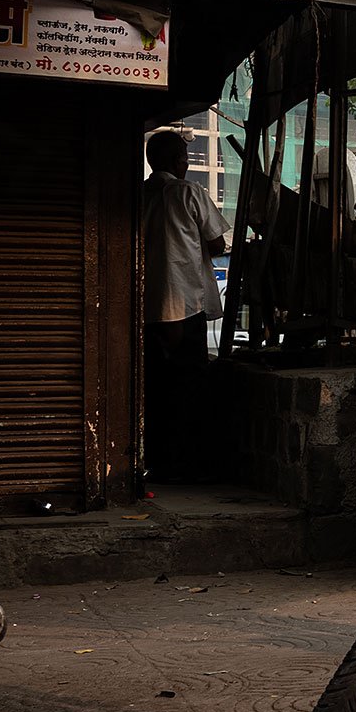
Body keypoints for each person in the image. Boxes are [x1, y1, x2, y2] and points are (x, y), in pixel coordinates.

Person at [142, 129, 231, 481]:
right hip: (185, 303)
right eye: (184, 156)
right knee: (188, 386)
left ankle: (155, 460)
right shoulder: (187, 192)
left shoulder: (139, 194)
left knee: (154, 386)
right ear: (178, 162)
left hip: (146, 308)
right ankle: (185, 465)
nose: (187, 162)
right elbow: (217, 244)